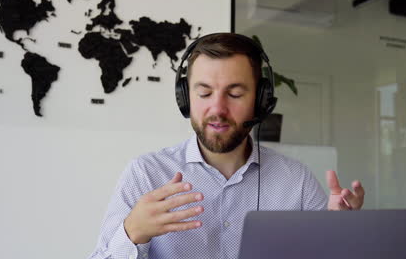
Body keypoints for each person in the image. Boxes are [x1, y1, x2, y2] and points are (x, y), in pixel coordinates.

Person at [88, 33, 365, 259]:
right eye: (204, 92)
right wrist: (132, 233)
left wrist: (341, 233)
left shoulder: (297, 181)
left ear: (260, 100)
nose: (217, 108)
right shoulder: (145, 174)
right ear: (185, 98)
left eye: (234, 93)